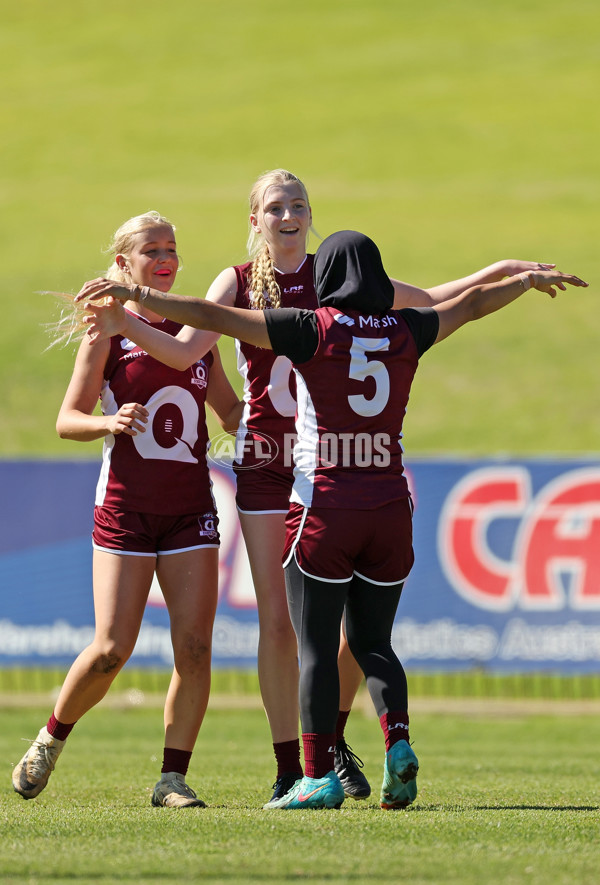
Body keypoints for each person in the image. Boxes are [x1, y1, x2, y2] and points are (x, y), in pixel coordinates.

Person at [78, 170, 560, 806]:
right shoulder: (240, 280)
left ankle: (325, 749)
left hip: (325, 468)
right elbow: (187, 348)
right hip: (270, 462)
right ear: (255, 220)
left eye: (298, 205)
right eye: (275, 206)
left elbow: (436, 298)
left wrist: (497, 269)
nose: (288, 215)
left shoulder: (336, 280)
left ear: (311, 216)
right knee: (283, 623)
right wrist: (127, 315)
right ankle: (293, 765)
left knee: (341, 632)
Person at [12, 212, 243, 809]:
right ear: (124, 264)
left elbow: (231, 413)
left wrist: (286, 412)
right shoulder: (107, 334)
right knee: (113, 648)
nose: (166, 259)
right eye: (151, 250)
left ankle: (173, 778)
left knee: (194, 648)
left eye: (172, 249)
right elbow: (67, 420)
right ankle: (51, 737)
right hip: (125, 510)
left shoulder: (197, 334)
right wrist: (107, 422)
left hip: (191, 509)